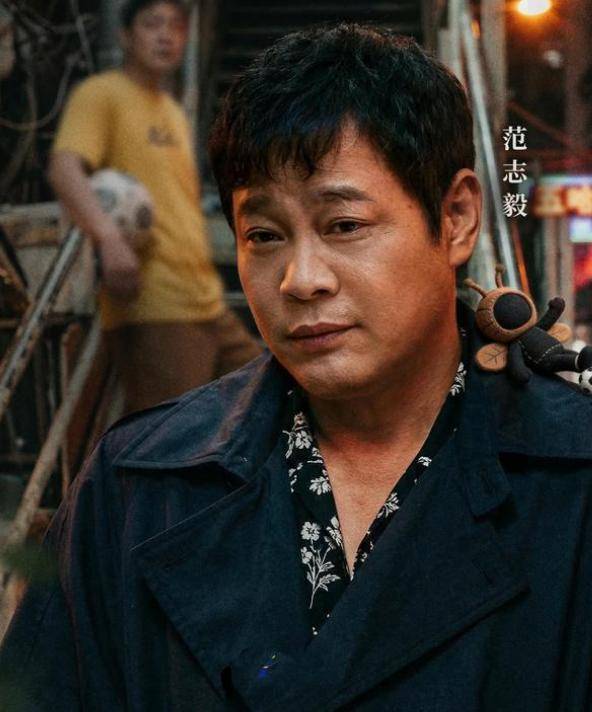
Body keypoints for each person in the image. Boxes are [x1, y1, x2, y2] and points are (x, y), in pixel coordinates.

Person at [2, 22, 592, 711]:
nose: (300, 279)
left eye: (344, 226)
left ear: (457, 217)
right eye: (263, 235)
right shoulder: (136, 485)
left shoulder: (574, 479)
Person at [48, 0, 261, 413]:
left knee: (269, 400)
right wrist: (109, 239)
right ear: (126, 36)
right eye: (153, 24)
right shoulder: (102, 94)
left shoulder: (173, 111)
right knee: (174, 435)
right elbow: (64, 168)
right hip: (155, 303)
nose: (166, 35)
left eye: (176, 26)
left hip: (205, 298)